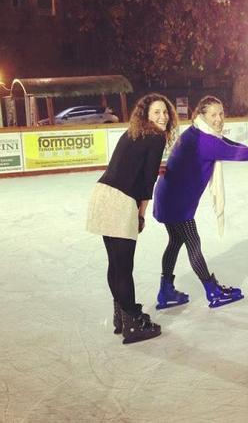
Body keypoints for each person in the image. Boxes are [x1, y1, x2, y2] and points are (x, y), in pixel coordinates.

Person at [153, 95, 248, 309]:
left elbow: (227, 143)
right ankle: (212, 290)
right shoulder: (204, 141)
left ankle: (165, 291)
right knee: (192, 242)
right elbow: (235, 152)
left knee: (175, 242)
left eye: (221, 113)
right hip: (176, 201)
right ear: (201, 115)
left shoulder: (197, 132)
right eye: (213, 115)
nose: (219, 119)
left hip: (169, 195)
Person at [86, 93, 178, 344]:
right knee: (124, 267)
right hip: (120, 200)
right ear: (146, 115)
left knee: (115, 264)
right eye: (157, 112)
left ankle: (122, 315)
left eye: (165, 112)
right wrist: (140, 213)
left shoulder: (133, 132)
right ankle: (132, 323)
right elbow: (148, 180)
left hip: (102, 195)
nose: (162, 117)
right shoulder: (156, 137)